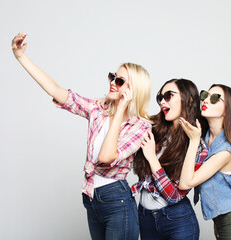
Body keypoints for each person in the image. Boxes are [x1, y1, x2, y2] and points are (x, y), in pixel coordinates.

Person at [11, 32, 151, 240]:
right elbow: (57, 91)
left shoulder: (139, 127)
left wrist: (121, 108)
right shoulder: (98, 109)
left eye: (120, 81)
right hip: (91, 197)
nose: (112, 82)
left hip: (117, 202)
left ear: (134, 90)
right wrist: (21, 57)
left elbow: (106, 157)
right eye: (113, 77)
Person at [178, 84, 231, 239]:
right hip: (226, 218)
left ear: (227, 110)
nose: (206, 100)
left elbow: (186, 182)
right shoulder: (206, 140)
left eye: (215, 98)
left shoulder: (226, 151)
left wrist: (193, 141)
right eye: (205, 95)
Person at [131, 79, 207, 240]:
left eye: (168, 96)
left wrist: (152, 157)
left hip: (177, 220)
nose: (162, 102)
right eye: (160, 98)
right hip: (145, 217)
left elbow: (173, 196)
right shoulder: (151, 128)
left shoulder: (198, 147)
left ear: (189, 99)